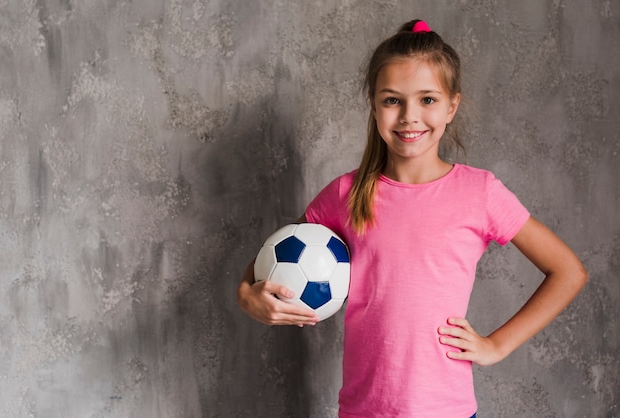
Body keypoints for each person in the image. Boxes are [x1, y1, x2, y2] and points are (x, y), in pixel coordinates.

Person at [237, 19, 588, 418]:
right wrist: (248, 297)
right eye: (392, 100)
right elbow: (270, 262)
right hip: (363, 411)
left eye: (427, 100)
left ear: (452, 105)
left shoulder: (480, 192)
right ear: (374, 104)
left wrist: (497, 345)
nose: (409, 116)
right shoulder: (346, 194)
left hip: (448, 410)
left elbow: (568, 271)